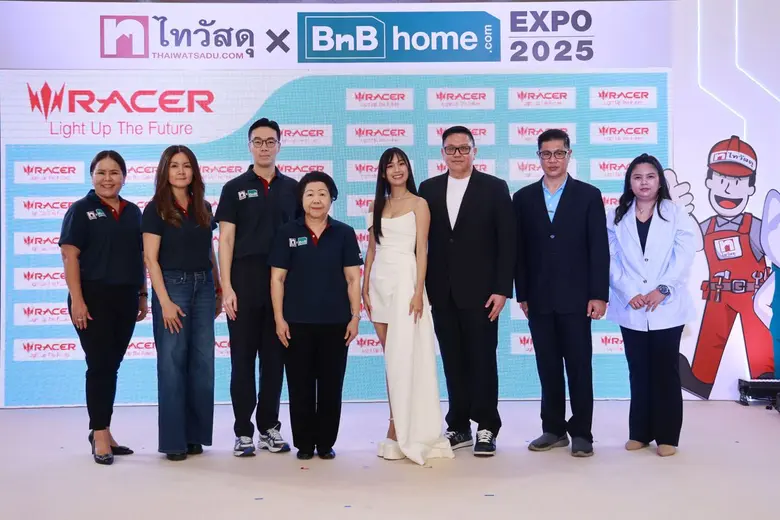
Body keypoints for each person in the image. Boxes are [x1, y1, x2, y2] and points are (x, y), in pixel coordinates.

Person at [418, 126, 515, 457]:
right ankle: (458, 424)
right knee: (453, 360)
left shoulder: (494, 187)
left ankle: (487, 425)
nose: (457, 154)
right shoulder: (428, 189)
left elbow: (507, 241)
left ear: (475, 151)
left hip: (482, 293)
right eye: (451, 149)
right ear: (442, 153)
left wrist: (502, 289)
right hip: (442, 292)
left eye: (463, 148)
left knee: (483, 359)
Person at [513, 129, 609, 457]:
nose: (552, 160)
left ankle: (582, 432)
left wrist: (598, 294)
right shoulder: (523, 198)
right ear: (538, 157)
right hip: (538, 298)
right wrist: (523, 293)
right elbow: (519, 251)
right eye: (546, 153)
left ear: (569, 155)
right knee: (548, 366)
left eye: (559, 153)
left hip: (578, 298)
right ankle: (553, 429)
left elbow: (599, 248)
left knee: (579, 367)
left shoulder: (588, 195)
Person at [362, 147, 454, 465]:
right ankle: (394, 421)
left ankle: (407, 425)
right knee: (390, 359)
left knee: (405, 356)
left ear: (408, 169)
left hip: (406, 282)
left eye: (401, 164)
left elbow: (422, 251)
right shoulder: (375, 205)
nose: (397, 169)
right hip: (380, 283)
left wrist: (418, 292)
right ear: (383, 173)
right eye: (390, 165)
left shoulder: (419, 204)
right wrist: (364, 286)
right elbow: (371, 249)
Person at [215, 117, 298, 456]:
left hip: (282, 284)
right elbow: (226, 240)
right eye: (258, 141)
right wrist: (227, 287)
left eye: (270, 141)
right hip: (244, 282)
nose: (264, 147)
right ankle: (243, 431)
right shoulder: (233, 188)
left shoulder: (293, 188)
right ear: (249, 146)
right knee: (242, 361)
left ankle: (269, 427)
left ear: (279, 145)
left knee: (275, 361)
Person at [59, 150, 147, 465]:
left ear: (124, 177)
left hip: (126, 298)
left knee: (111, 365)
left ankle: (104, 430)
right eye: (101, 172)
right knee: (99, 365)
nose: (107, 179)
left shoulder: (133, 211)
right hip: (92, 298)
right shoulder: (80, 210)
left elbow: (140, 256)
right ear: (92, 176)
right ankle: (98, 434)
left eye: (114, 173)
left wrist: (142, 294)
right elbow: (69, 255)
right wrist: (77, 299)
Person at [606, 154, 697, 457]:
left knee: (665, 372)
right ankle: (640, 433)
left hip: (666, 307)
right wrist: (629, 291)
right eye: (637, 177)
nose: (644, 182)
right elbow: (610, 258)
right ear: (629, 183)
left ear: (660, 181)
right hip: (632, 306)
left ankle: (668, 436)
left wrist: (663, 289)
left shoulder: (676, 213)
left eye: (650, 176)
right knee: (638, 371)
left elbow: (684, 256)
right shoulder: (616, 215)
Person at [268, 171, 363, 461]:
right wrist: (279, 319)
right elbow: (277, 279)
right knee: (300, 386)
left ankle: (325, 443)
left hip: (336, 322)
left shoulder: (344, 233)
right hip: (297, 322)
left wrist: (355, 316)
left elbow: (353, 279)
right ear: (301, 199)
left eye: (322, 193)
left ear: (332, 198)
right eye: (310, 194)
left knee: (332, 386)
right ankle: (305, 444)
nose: (316, 200)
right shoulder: (287, 232)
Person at [142, 145, 222, 461]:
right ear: (165, 171)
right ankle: (174, 441)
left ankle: (194, 436)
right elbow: (151, 258)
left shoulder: (203, 207)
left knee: (203, 363)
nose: (180, 171)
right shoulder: (156, 209)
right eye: (174, 165)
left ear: (194, 171)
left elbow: (209, 250)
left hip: (204, 287)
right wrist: (163, 301)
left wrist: (217, 287)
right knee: (172, 363)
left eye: (186, 165)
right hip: (172, 287)